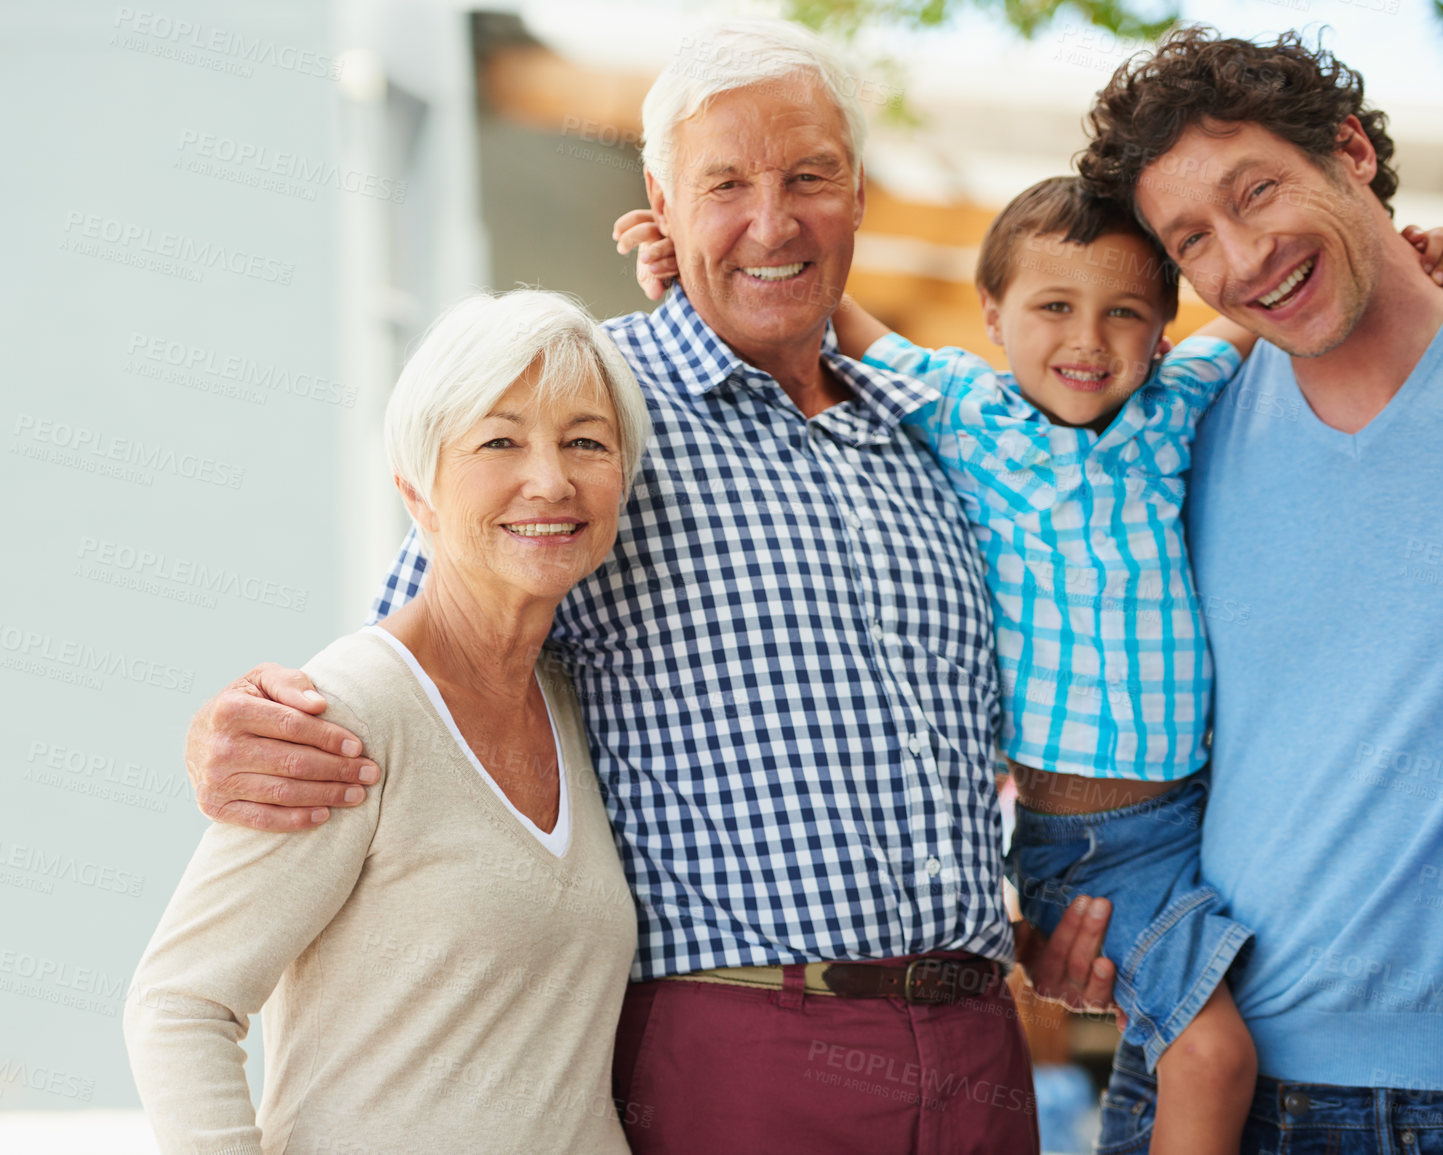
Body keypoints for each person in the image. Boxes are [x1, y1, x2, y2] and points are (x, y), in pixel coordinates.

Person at [181, 19, 1119, 1154]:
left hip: (976, 1049)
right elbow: (424, 679)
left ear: (859, 194)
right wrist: (255, 733)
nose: (771, 222)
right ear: (661, 205)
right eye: (724, 182)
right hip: (734, 1055)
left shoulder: (943, 433)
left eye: (808, 177)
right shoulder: (584, 421)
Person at [616, 177, 1443, 1154]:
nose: (1088, 340)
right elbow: (828, 303)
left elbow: (1256, 314)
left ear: (1161, 332)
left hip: (1191, 821)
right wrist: (697, 257)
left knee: (1204, 1042)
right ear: (994, 316)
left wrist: (1394, 260)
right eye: (1054, 307)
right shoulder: (967, 411)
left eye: (1124, 313)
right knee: (1213, 1057)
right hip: (1085, 841)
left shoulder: (1175, 404)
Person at [124, 289, 650, 1154]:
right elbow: (179, 1002)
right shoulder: (350, 710)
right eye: (499, 440)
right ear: (419, 493)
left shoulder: (569, 701)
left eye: (585, 441)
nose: (551, 478)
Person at [1073, 26, 1443, 1153]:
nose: (1243, 258)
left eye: (1259, 191)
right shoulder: (1171, 444)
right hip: (1199, 1084)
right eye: (1194, 239)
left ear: (1349, 150)